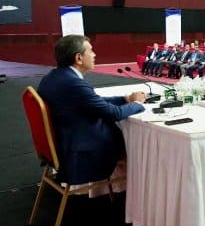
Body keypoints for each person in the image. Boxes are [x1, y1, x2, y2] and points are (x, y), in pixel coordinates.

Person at [36, 35, 146, 185]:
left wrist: (125, 99)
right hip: (84, 151)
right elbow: (114, 114)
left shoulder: (53, 77)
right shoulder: (74, 83)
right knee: (141, 143)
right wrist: (138, 104)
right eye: (91, 51)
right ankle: (143, 189)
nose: (94, 55)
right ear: (79, 58)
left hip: (64, 143)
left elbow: (92, 102)